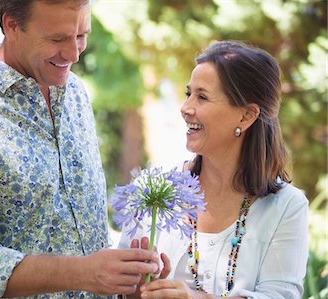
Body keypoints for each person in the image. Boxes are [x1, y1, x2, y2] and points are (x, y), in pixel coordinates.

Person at [0, 1, 159, 298]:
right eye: (57, 39)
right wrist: (85, 272)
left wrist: (128, 277)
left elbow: (84, 233)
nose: (73, 54)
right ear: (12, 25)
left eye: (81, 35)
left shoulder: (75, 92)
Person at [119, 40, 309, 299]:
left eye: (202, 97)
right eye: (188, 94)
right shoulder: (156, 190)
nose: (186, 108)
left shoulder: (287, 206)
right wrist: (136, 290)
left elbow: (281, 295)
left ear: (246, 115)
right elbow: (121, 291)